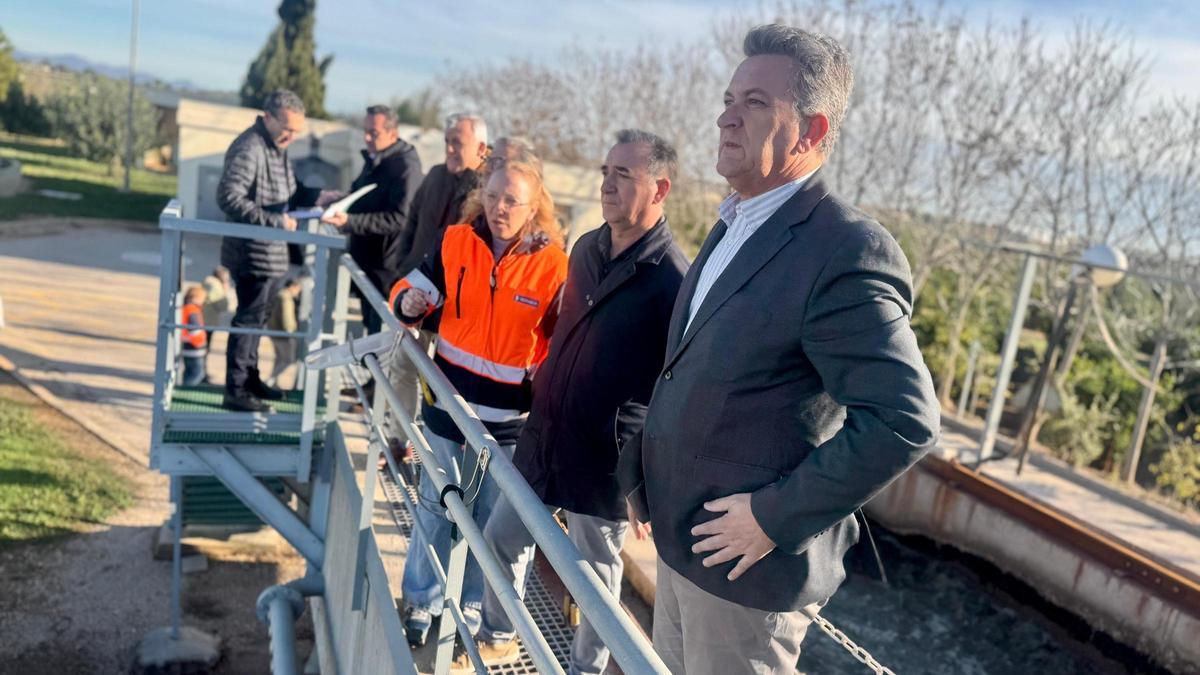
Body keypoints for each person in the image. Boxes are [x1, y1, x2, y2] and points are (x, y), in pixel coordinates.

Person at [616, 24, 940, 673]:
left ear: (813, 132)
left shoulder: (844, 249)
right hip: (683, 549)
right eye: (730, 97)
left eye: (755, 103)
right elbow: (685, 370)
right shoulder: (734, 220)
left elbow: (904, 419)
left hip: (746, 576)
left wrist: (771, 516)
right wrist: (639, 471)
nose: (725, 115)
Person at [461, 130, 688, 673]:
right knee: (500, 538)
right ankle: (497, 635)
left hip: (603, 457)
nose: (607, 184)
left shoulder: (674, 279)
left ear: (660, 188)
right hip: (544, 436)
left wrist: (645, 479)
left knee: (595, 581)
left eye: (624, 175)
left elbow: (677, 390)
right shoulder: (586, 248)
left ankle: (585, 669)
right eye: (606, 172)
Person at [388, 161, 567, 646]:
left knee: (490, 524)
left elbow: (558, 341)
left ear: (534, 207)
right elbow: (413, 288)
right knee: (433, 509)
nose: (499, 207)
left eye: (511, 200)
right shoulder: (456, 241)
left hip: (506, 425)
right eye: (492, 196)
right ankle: (421, 604)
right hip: (447, 409)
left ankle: (471, 608)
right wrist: (407, 303)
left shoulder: (553, 265)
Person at [379, 114, 488, 438]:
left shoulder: (487, 189)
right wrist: (403, 268)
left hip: (458, 308)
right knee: (401, 365)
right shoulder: (436, 175)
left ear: (481, 148)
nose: (450, 149)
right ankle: (400, 439)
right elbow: (412, 221)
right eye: (447, 141)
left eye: (458, 143)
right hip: (418, 294)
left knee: (444, 385)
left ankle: (430, 450)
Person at [216, 89, 320, 412]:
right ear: (268, 117)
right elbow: (228, 197)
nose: (291, 136)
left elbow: (290, 192)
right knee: (248, 320)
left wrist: (321, 197)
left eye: (297, 131)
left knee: (258, 321)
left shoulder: (274, 146)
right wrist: (274, 221)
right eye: (286, 128)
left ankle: (250, 379)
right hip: (252, 254)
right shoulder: (250, 147)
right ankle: (236, 389)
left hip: (271, 256)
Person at [320, 105, 423, 334]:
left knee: (381, 340)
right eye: (365, 131)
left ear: (393, 134)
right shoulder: (376, 158)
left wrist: (349, 222)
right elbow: (364, 197)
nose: (367, 138)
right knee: (370, 334)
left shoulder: (406, 168)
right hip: (368, 265)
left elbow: (399, 218)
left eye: (373, 133)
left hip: (386, 271)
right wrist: (338, 199)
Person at [266, 277, 303, 389]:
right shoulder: (286, 298)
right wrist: (291, 332)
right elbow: (287, 318)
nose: (298, 293)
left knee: (279, 359)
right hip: (283, 334)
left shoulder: (278, 295)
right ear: (293, 286)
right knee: (288, 360)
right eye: (298, 289)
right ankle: (270, 381)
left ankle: (273, 383)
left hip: (273, 331)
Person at [201, 266, 236, 380]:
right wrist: (225, 291)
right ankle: (202, 374)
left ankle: (202, 373)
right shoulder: (216, 287)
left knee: (203, 349)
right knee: (204, 349)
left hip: (204, 322)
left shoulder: (208, 282)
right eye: (227, 278)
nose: (228, 280)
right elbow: (223, 306)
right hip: (207, 323)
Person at [180, 285, 208, 386]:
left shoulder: (185, 308)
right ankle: (187, 391)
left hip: (187, 346)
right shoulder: (193, 310)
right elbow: (194, 329)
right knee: (197, 374)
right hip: (194, 348)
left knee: (188, 372)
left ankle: (185, 389)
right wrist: (200, 343)